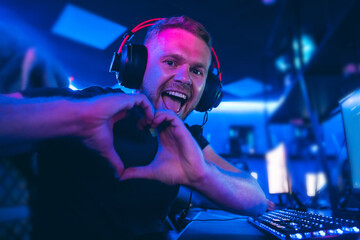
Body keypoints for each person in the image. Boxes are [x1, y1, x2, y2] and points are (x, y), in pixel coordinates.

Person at [1, 16, 267, 239]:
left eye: (197, 71)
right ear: (137, 67)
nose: (184, 78)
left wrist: (201, 175)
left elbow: (256, 199)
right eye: (171, 62)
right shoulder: (90, 103)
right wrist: (76, 117)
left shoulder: (186, 139)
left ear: (207, 92)